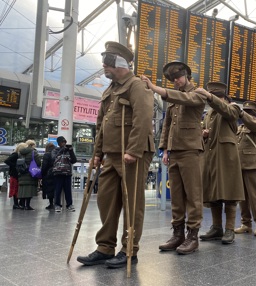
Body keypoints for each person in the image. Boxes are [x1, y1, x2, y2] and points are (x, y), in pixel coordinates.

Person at [77, 41, 155, 268]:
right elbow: (101, 124)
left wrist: (133, 150)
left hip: (132, 153)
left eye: (108, 62)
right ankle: (105, 247)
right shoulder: (109, 90)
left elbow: (143, 119)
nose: (104, 66)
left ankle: (129, 249)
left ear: (119, 62)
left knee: (132, 202)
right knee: (106, 200)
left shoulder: (137, 86)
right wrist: (97, 153)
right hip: (111, 154)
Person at [141, 61, 205, 255]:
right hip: (175, 151)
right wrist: (165, 150)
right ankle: (178, 234)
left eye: (178, 77)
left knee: (193, 195)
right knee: (176, 196)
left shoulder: (198, 92)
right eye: (172, 79)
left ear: (187, 75)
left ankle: (192, 236)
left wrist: (154, 88)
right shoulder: (174, 99)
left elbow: (185, 98)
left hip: (191, 150)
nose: (176, 81)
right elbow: (167, 126)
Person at [195, 82, 244, 244]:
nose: (210, 100)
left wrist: (210, 97)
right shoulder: (209, 113)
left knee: (230, 193)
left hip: (226, 156)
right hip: (211, 156)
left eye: (214, 96)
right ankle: (217, 228)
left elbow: (229, 113)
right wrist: (204, 133)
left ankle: (230, 229)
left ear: (221, 97)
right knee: (213, 193)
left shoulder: (233, 107)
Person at [234, 101, 256, 236]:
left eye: (248, 112)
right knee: (242, 197)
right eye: (244, 111)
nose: (245, 114)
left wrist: (241, 113)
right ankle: (245, 223)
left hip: (252, 165)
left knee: (254, 196)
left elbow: (252, 124)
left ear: (253, 114)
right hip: (239, 165)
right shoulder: (240, 128)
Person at [52, 136, 77, 212]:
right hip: (58, 173)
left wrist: (71, 151)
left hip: (67, 173)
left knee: (68, 190)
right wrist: (61, 150)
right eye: (62, 142)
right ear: (59, 143)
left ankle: (69, 205)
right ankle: (57, 205)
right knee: (58, 190)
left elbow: (74, 161)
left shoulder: (68, 151)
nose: (64, 144)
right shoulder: (55, 150)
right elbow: (53, 159)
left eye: (65, 142)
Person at [18, 140, 41, 210]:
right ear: (32, 145)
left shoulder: (20, 152)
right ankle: (27, 205)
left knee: (23, 190)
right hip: (31, 173)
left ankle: (22, 205)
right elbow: (38, 163)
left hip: (21, 173)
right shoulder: (34, 152)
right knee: (29, 190)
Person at [4, 142, 27, 209]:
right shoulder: (15, 154)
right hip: (14, 174)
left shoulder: (18, 155)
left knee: (16, 189)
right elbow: (7, 161)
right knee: (15, 189)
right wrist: (15, 166)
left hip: (16, 174)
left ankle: (17, 204)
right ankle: (15, 204)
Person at [41, 143, 56, 210]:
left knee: (49, 189)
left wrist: (42, 174)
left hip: (48, 174)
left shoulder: (47, 154)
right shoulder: (57, 153)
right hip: (56, 173)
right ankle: (57, 203)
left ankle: (51, 204)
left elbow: (44, 165)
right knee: (55, 189)